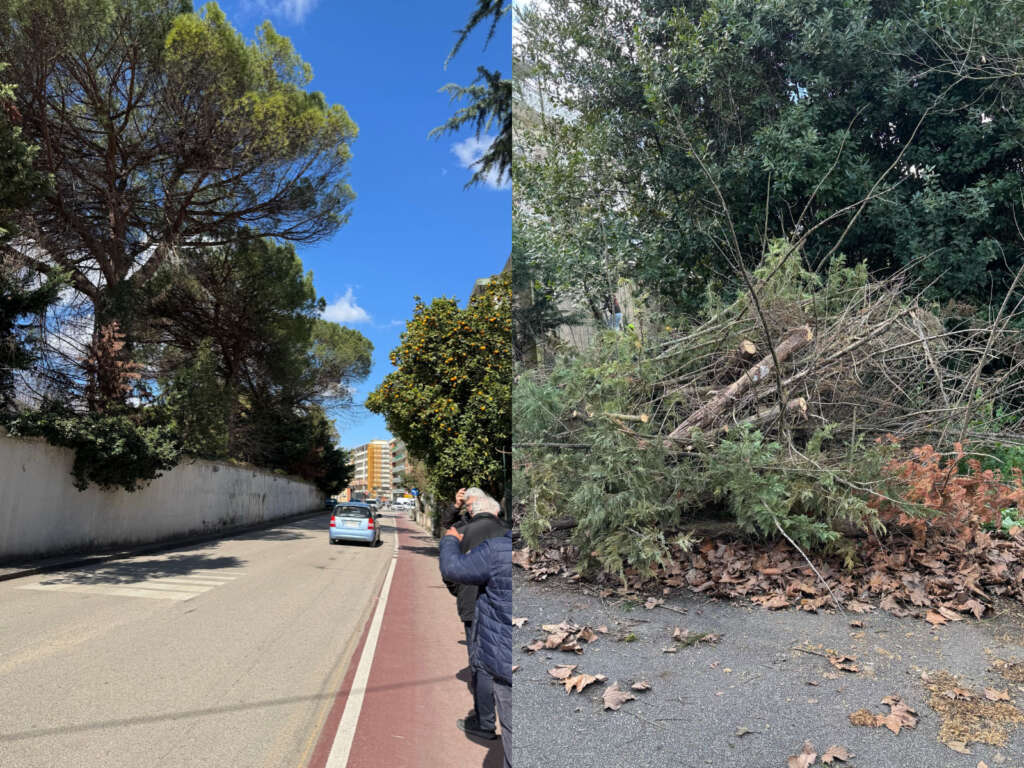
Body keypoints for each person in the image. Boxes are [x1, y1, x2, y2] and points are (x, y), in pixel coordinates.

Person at [439, 521, 513, 766]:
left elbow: (452, 569)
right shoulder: (502, 534)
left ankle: (484, 723)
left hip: (502, 660)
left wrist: (450, 540)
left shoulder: (496, 548)